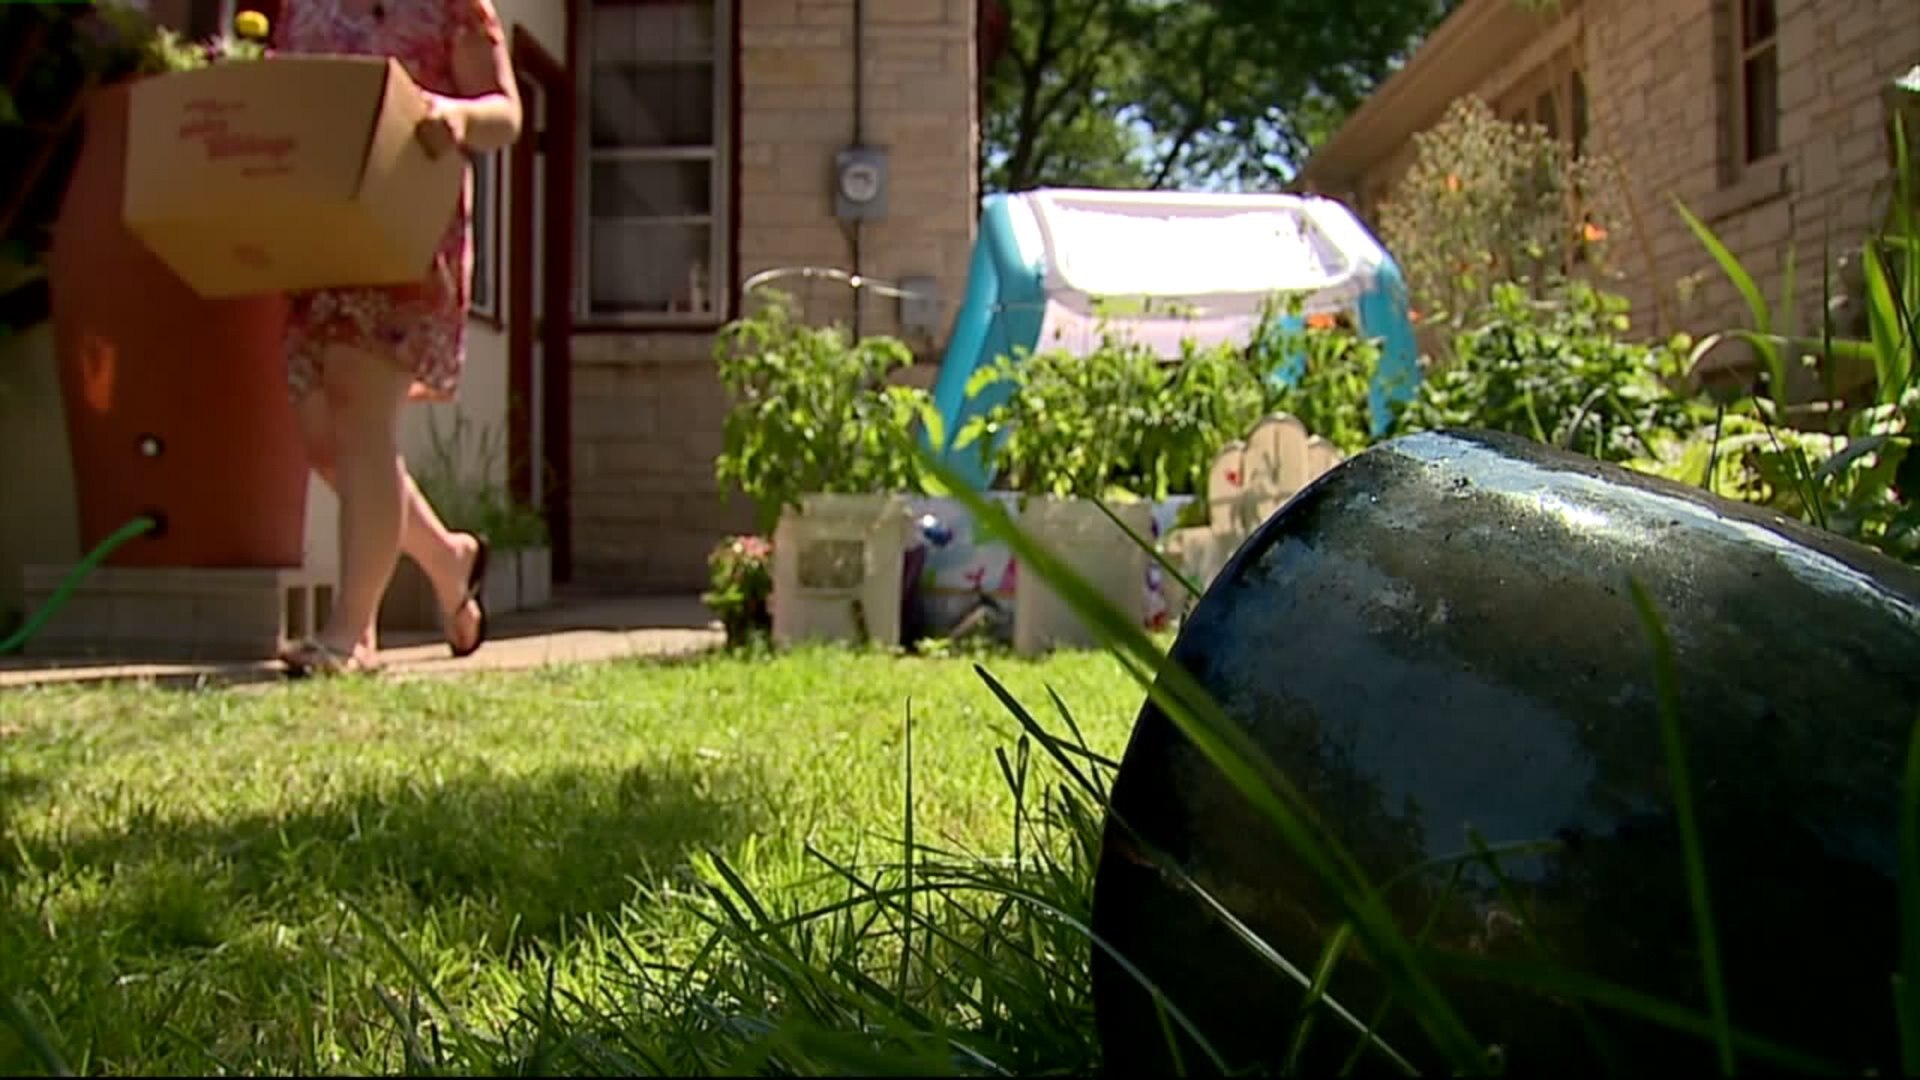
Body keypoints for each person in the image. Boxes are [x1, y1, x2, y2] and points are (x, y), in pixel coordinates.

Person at [275, 0, 523, 677]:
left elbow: (505, 112)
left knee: (359, 412)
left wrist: (457, 116)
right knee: (325, 439)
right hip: (318, 232)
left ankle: (351, 633)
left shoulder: (452, 7)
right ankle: (449, 560)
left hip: (406, 230)